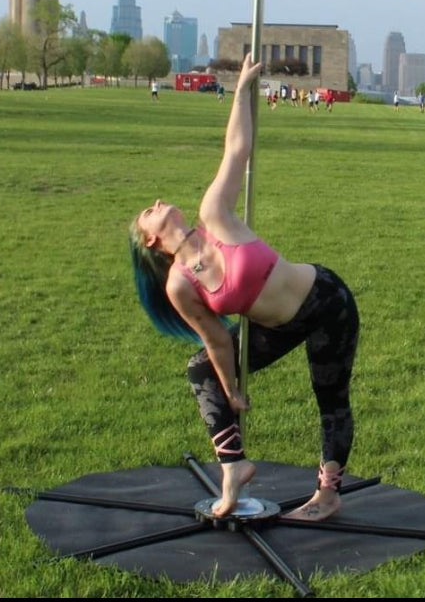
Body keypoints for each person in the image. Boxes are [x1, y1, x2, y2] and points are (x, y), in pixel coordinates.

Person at [129, 54, 360, 522]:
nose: (155, 204)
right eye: (147, 213)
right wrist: (231, 388)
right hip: (273, 326)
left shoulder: (214, 215)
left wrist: (240, 93)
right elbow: (215, 339)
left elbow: (237, 149)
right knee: (201, 371)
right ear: (152, 240)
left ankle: (328, 495)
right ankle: (233, 467)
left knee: (330, 397)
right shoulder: (179, 283)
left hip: (324, 301)